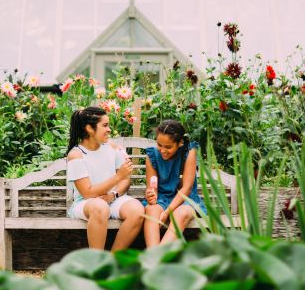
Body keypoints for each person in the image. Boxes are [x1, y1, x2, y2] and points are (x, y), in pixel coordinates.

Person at [66, 106, 145, 250]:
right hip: (86, 203)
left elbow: (125, 179)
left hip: (112, 199)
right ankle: (98, 262)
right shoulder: (76, 155)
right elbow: (88, 193)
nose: (109, 129)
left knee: (137, 210)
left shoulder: (112, 147)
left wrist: (113, 195)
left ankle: (112, 262)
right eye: (105, 125)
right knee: (100, 207)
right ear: (89, 128)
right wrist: (118, 177)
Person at [143, 119, 206, 247]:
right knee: (151, 210)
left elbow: (187, 188)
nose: (162, 150)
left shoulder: (189, 152)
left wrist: (168, 212)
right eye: (159, 145)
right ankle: (154, 255)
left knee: (180, 214)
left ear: (180, 143)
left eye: (168, 147)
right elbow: (152, 187)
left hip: (185, 199)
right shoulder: (152, 155)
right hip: (162, 198)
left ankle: (157, 258)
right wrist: (151, 194)